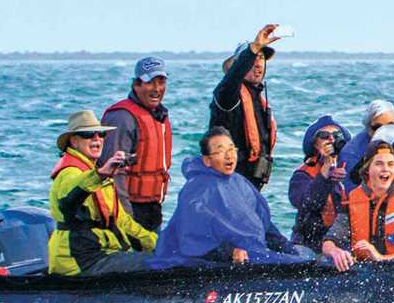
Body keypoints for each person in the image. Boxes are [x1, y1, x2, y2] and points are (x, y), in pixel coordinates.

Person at [149, 128, 308, 270]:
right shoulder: (197, 188)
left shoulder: (240, 182)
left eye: (232, 149)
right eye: (220, 151)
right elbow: (193, 237)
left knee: (301, 260)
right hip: (209, 258)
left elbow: (265, 226)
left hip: (252, 252)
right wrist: (229, 252)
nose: (229, 155)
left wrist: (289, 250)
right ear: (207, 160)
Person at [48, 110, 158, 276]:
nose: (96, 139)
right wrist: (100, 174)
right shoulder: (69, 172)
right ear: (74, 142)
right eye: (88, 134)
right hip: (80, 260)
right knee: (149, 264)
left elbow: (124, 223)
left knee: (161, 259)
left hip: (104, 253)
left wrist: (163, 246)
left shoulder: (98, 175)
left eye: (101, 134)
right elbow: (69, 199)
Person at [320, 140, 394, 272]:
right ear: (367, 169)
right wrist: (335, 252)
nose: (386, 169)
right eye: (379, 164)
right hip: (364, 272)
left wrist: (381, 258)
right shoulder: (353, 199)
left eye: (390, 164)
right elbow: (329, 241)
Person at [100, 56, 173, 231]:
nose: (157, 89)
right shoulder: (122, 117)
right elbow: (113, 172)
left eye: (161, 82)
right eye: (150, 83)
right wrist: (125, 219)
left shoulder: (159, 116)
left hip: (152, 209)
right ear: (136, 84)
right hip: (129, 210)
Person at [210, 24, 283, 190]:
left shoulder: (259, 99)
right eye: (254, 58)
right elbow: (231, 80)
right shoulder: (228, 95)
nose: (258, 64)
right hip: (227, 186)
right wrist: (252, 49)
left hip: (252, 187)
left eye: (262, 58)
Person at [288, 116, 350, 250]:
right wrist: (325, 172)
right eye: (324, 136)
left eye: (336, 135)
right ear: (315, 144)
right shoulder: (302, 176)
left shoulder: (351, 168)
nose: (331, 139)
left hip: (342, 240)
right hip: (310, 243)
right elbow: (309, 203)